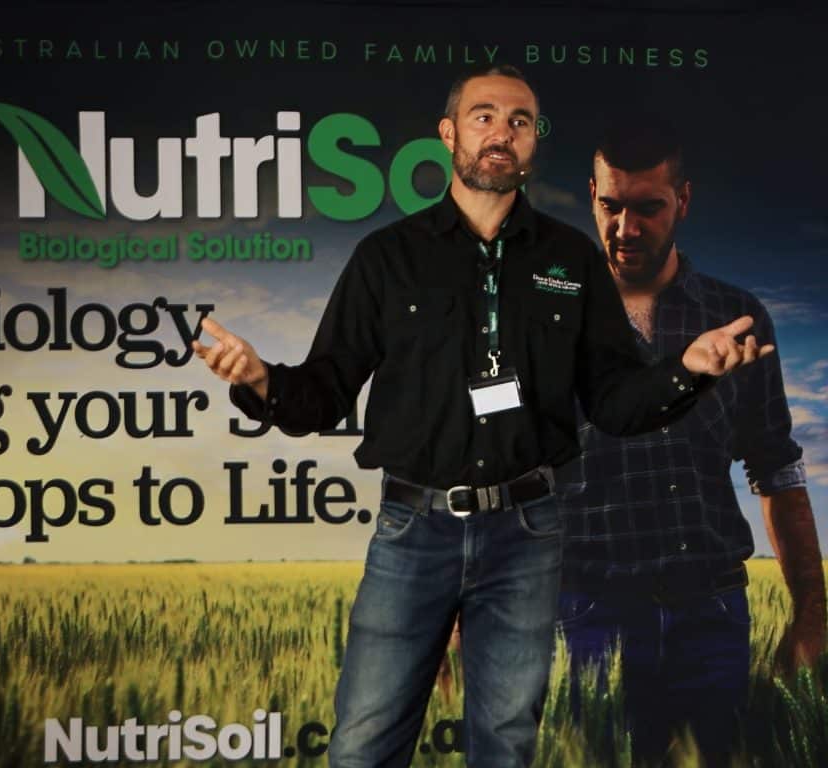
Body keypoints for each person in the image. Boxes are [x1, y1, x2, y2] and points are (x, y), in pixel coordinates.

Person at [193, 67, 771, 768]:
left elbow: (616, 404)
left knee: (505, 745)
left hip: (527, 535)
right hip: (414, 532)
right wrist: (260, 381)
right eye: (484, 116)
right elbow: (324, 393)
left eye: (520, 121)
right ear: (450, 135)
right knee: (363, 743)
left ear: (533, 146)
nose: (502, 132)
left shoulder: (569, 260)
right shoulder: (388, 258)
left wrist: (689, 369)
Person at [556, 115, 826, 765]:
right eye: (610, 206)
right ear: (590, 194)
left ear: (683, 200)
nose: (626, 229)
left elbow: (778, 470)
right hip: (588, 616)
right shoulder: (547, 316)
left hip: (712, 616)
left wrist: (813, 615)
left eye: (648, 208)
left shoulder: (735, 317)